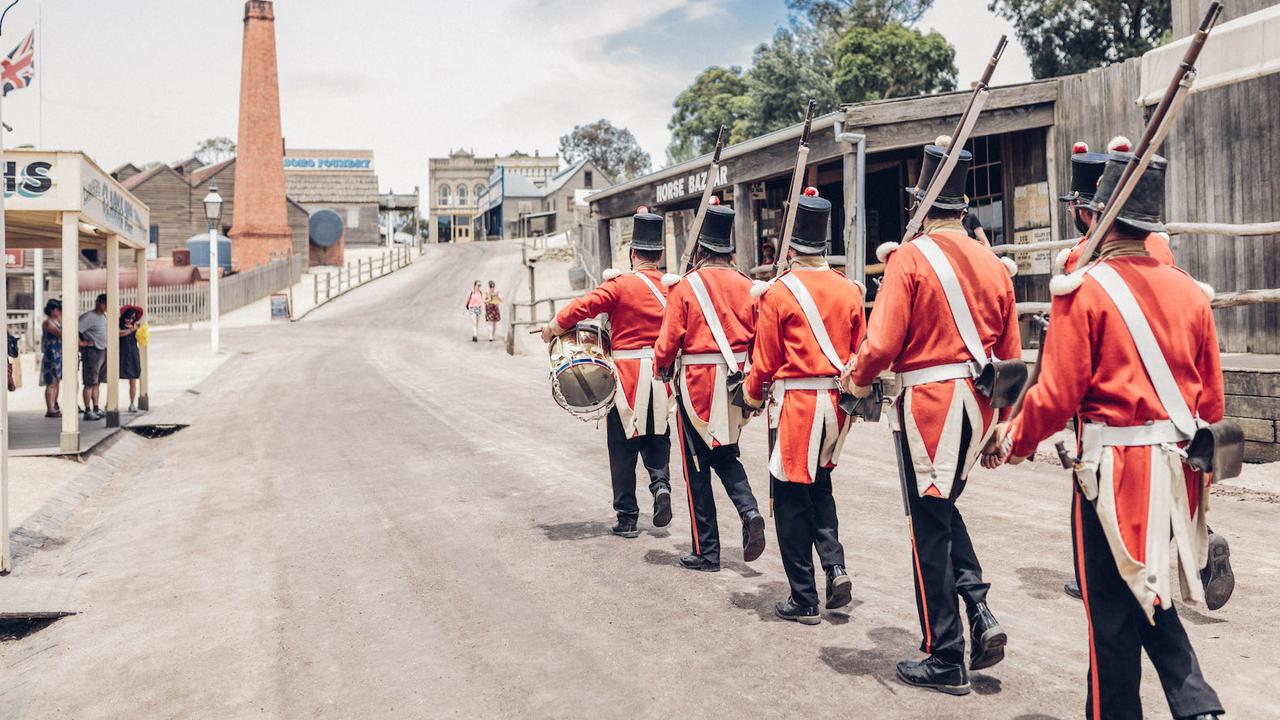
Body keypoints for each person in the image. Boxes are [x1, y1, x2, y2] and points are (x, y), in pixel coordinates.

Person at [998, 152, 1225, 720]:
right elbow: (1212, 406)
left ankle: (1178, 705)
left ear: (1101, 216)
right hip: (1174, 474)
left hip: (1111, 471)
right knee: (1144, 595)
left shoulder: (1085, 288)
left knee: (1113, 621)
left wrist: (1015, 440)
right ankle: (1195, 704)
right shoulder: (1191, 293)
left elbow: (1057, 395)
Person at [841, 138, 1020, 695]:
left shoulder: (909, 258)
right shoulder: (993, 262)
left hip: (932, 408)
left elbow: (883, 343)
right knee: (940, 515)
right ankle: (980, 608)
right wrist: (1002, 426)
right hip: (980, 407)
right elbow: (1010, 357)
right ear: (963, 208)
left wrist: (856, 376)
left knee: (928, 529)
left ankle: (945, 654)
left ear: (920, 204)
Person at [1056, 138, 1232, 610]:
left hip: (1117, 395)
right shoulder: (1160, 248)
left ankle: (1094, 573)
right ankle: (1199, 537)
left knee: (1093, 485)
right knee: (1171, 475)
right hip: (1177, 392)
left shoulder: (1082, 258)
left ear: (1088, 208)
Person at [741, 191, 865, 625]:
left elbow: (765, 360)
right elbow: (858, 352)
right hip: (836, 406)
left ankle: (804, 597)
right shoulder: (851, 290)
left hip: (797, 405)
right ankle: (835, 567)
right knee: (822, 490)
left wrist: (752, 396)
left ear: (791, 246)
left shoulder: (777, 293)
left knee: (790, 500)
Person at [541, 209, 674, 538]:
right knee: (657, 436)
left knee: (622, 446)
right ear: (659, 254)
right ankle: (661, 487)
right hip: (661, 375)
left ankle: (627, 517)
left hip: (627, 375)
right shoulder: (675, 288)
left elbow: (581, 307)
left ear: (633, 254)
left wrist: (553, 327)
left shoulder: (621, 284)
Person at [654, 202, 766, 573]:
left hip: (697, 384)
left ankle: (707, 551)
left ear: (701, 249)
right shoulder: (748, 285)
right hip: (735, 381)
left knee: (696, 467)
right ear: (729, 250)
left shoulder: (686, 287)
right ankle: (748, 510)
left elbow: (669, 341)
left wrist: (660, 367)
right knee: (726, 453)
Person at [78, 293, 109, 421]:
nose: (106, 306)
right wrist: (81, 343)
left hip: (102, 350)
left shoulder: (104, 316)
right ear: (98, 302)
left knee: (97, 382)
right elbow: (76, 330)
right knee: (90, 382)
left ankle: (96, 407)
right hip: (92, 352)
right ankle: (87, 410)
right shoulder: (88, 317)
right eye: (104, 303)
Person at [40, 299, 63, 418]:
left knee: (57, 382)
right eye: (57, 309)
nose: (59, 311)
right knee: (51, 382)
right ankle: (50, 408)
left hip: (58, 353)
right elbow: (59, 334)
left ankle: (54, 404)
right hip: (51, 354)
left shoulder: (57, 320)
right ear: (51, 310)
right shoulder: (48, 323)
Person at [120, 305, 143, 413]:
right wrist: (131, 330)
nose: (130, 320)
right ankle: (109, 403)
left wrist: (140, 330)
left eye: (133, 318)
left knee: (133, 380)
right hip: (121, 354)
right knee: (114, 378)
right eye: (128, 317)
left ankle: (132, 403)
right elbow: (119, 334)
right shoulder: (119, 326)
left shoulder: (136, 327)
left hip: (133, 354)